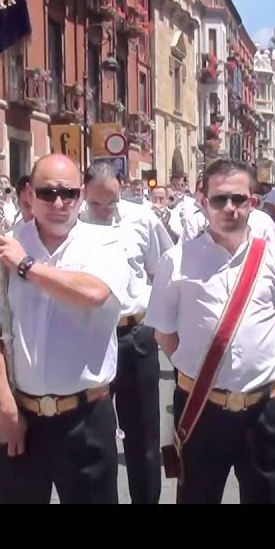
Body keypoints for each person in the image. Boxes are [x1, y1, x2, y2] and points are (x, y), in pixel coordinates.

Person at [0, 154, 131, 504]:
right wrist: (7, 410)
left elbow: (92, 293)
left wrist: (25, 265)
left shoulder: (106, 242)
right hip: (22, 416)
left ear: (81, 195)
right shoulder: (3, 246)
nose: (59, 202)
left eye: (68, 193)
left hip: (86, 417)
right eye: (47, 193)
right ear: (29, 194)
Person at [146, 159, 275, 504]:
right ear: (203, 202)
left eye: (239, 199)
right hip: (202, 407)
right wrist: (200, 369)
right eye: (219, 200)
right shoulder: (177, 259)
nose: (229, 208)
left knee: (269, 497)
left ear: (253, 203)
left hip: (265, 407)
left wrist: (255, 367)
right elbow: (164, 335)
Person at [80, 164, 173, 504]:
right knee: (94, 435)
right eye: (96, 205)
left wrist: (158, 325)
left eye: (111, 203)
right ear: (83, 193)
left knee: (144, 436)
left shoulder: (143, 219)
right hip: (90, 338)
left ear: (122, 190)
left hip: (134, 336)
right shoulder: (72, 224)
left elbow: (164, 269)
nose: (104, 212)